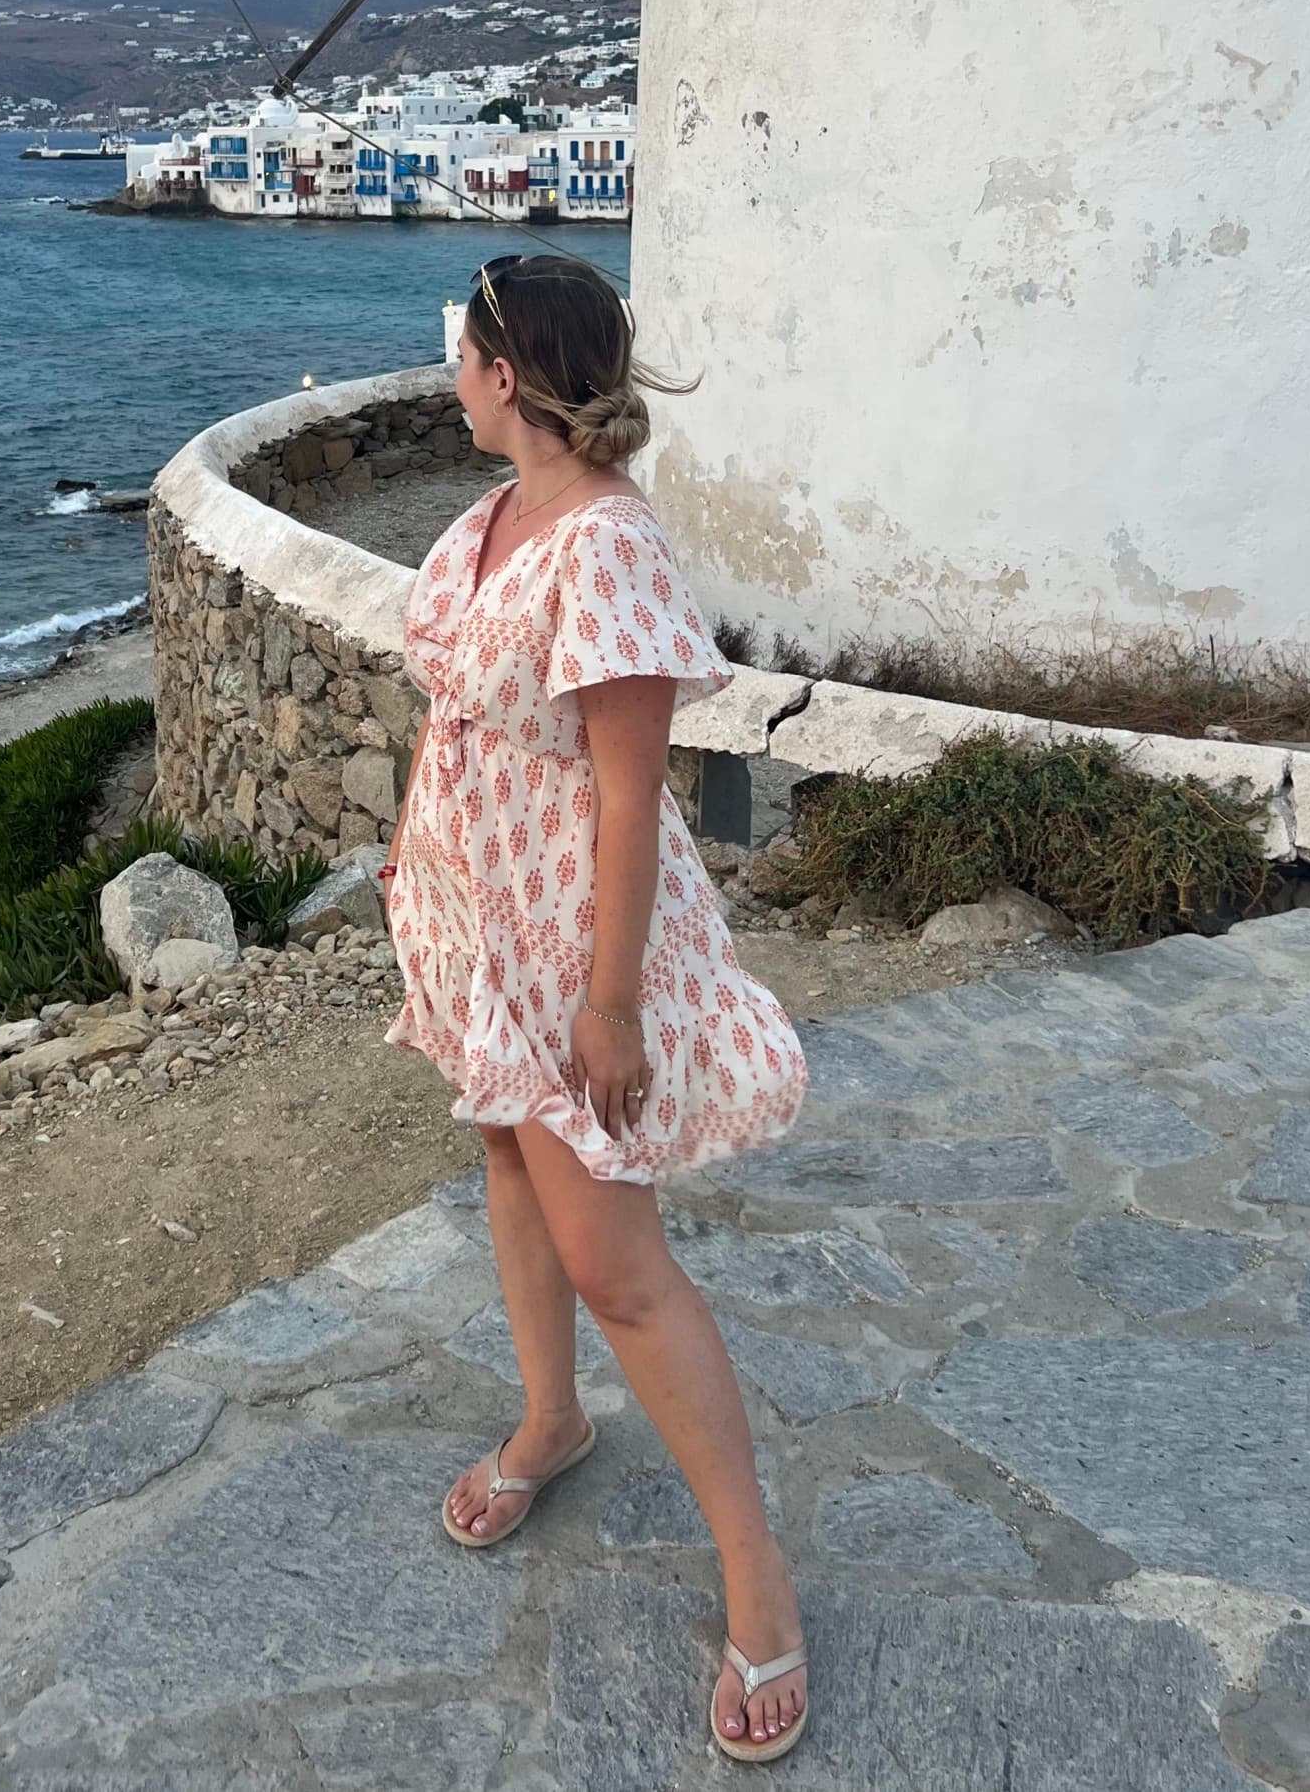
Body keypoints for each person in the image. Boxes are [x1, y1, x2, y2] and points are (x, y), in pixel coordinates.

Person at [382, 252, 812, 1764]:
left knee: (619, 1261)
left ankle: (757, 1576)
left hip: (572, 942)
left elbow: (632, 800)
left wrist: (611, 1006)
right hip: (474, 923)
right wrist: (414, 876)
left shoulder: (610, 546)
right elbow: (464, 722)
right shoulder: (498, 512)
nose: (449, 371)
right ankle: (552, 1420)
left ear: (511, 376)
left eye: (463, 351)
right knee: (506, 1162)